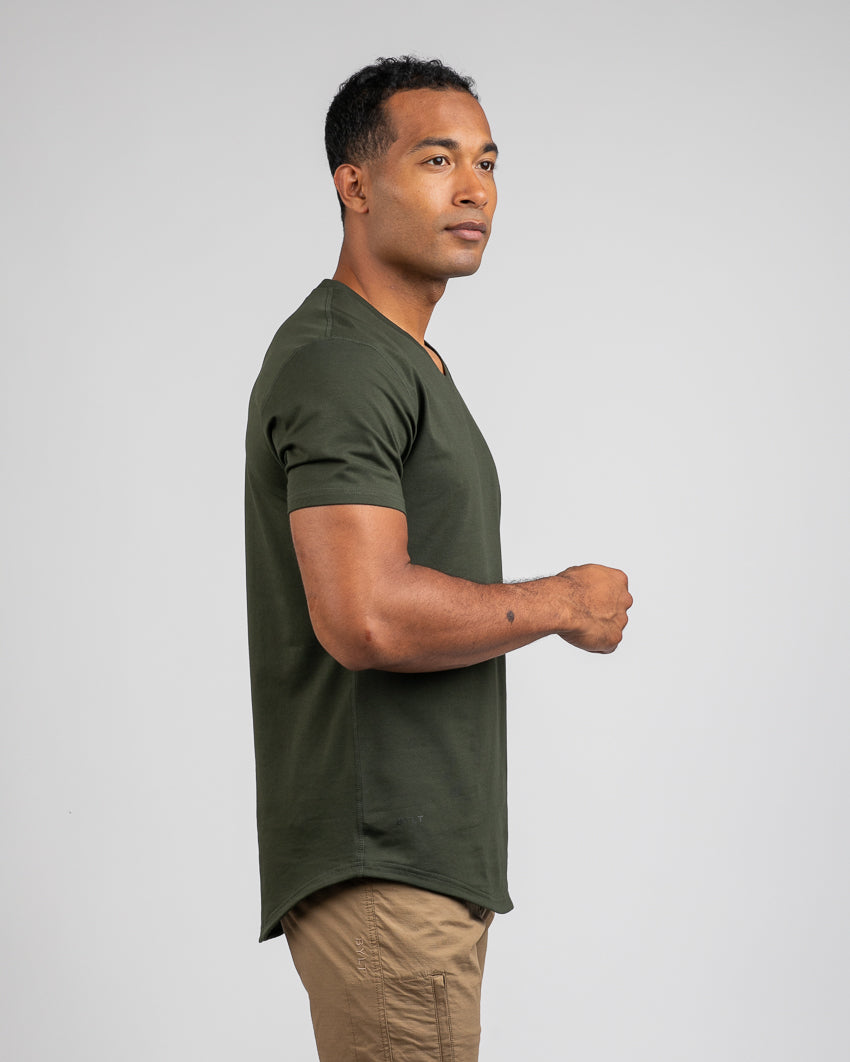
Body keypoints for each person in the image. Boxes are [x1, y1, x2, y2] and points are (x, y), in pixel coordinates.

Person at [244, 56, 632, 1061]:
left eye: (486, 163)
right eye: (435, 160)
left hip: (419, 869)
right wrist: (562, 602)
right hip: (385, 869)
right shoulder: (341, 361)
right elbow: (365, 616)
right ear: (355, 184)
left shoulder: (399, 358)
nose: (473, 190)